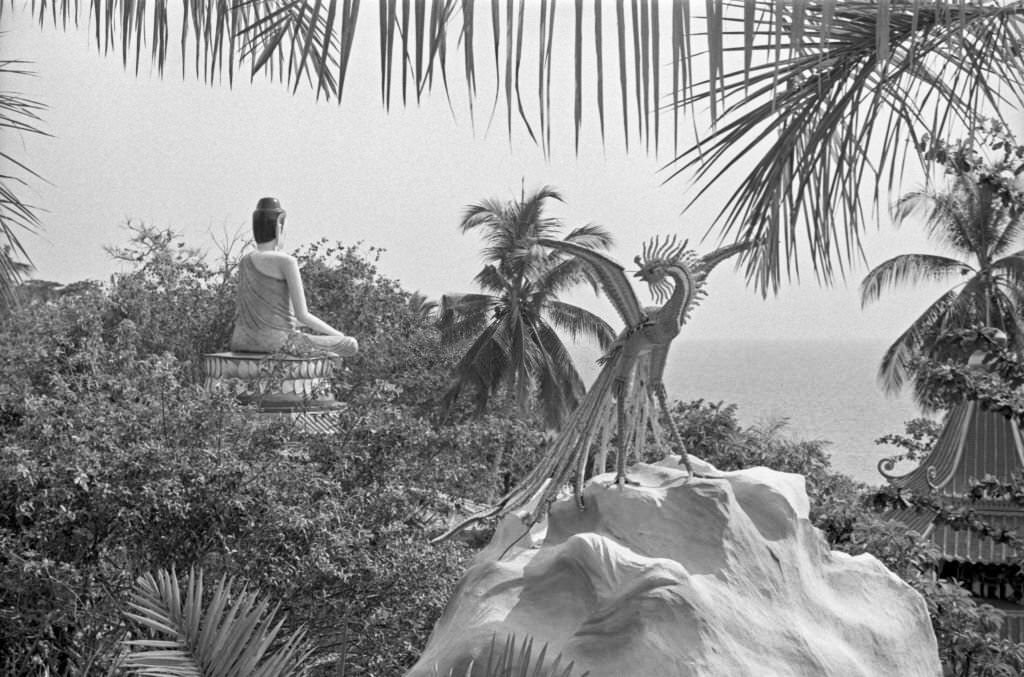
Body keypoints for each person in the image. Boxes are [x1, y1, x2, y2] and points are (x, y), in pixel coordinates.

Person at [229, 197, 359, 357]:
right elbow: (302, 315)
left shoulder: (245, 261)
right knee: (350, 344)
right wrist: (337, 335)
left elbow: (266, 316)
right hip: (280, 342)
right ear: (279, 226)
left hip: (241, 341)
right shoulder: (285, 261)